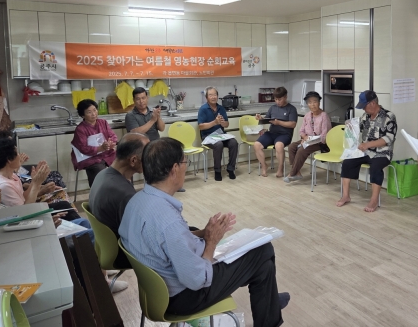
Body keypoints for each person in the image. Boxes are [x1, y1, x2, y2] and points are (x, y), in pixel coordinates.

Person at [119, 138, 290, 327]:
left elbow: (163, 242)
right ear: (174, 169)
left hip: (155, 291)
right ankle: (270, 304)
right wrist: (211, 242)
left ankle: (270, 303)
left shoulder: (136, 201)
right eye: (185, 162)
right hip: (183, 297)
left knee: (264, 267)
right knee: (263, 250)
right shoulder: (169, 222)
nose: (186, 167)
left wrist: (203, 233)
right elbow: (199, 279)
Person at [0, 138, 82, 220]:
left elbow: (24, 197)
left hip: (28, 208)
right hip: (27, 217)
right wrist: (37, 184)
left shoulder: (12, 176)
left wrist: (34, 182)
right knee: (64, 207)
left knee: (64, 204)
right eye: (17, 153)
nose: (19, 156)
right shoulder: (4, 185)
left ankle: (81, 227)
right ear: (9, 160)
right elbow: (26, 211)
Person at [336, 90, 397, 212]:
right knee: (347, 162)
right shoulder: (366, 116)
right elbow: (358, 128)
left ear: (372, 103)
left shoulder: (389, 116)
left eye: (364, 106)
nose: (363, 109)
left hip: (382, 153)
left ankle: (374, 200)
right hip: (365, 152)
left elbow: (388, 139)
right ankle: (346, 196)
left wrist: (368, 144)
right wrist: (350, 126)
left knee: (375, 167)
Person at [89, 133, 149, 237]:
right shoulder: (124, 194)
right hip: (121, 245)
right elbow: (138, 235)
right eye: (148, 156)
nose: (151, 160)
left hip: (105, 241)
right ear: (133, 160)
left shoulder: (102, 174)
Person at [284, 91, 331, 183]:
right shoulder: (307, 115)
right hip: (307, 139)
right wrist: (304, 137)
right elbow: (301, 130)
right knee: (292, 147)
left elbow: (325, 136)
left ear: (319, 102)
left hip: (320, 142)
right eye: (310, 102)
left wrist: (310, 141)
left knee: (302, 150)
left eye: (315, 102)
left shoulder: (324, 116)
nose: (312, 105)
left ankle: (292, 173)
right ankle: (297, 173)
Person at [71, 99, 118, 187]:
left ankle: (121, 191)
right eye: (89, 112)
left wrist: (111, 143)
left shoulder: (103, 122)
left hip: (107, 154)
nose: (93, 114)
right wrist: (100, 148)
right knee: (99, 171)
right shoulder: (80, 129)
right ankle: (97, 193)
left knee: (123, 164)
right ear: (83, 115)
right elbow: (83, 148)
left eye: (95, 110)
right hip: (90, 157)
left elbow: (113, 136)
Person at [254, 87, 298, 177]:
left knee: (279, 145)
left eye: (280, 99)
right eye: (276, 99)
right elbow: (267, 119)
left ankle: (280, 168)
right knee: (257, 145)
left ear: (285, 97)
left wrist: (279, 123)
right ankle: (264, 165)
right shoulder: (272, 108)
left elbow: (293, 124)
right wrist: (261, 118)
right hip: (271, 133)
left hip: (285, 134)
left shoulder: (291, 109)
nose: (277, 101)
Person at [198, 86, 238, 181]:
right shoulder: (203, 109)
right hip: (207, 136)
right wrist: (214, 122)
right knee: (218, 144)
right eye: (210, 95)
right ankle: (217, 171)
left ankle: (231, 168)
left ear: (217, 96)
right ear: (206, 97)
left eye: (215, 95)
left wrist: (223, 123)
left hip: (221, 135)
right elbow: (201, 126)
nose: (213, 97)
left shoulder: (221, 108)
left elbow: (227, 124)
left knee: (234, 142)